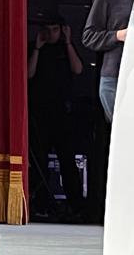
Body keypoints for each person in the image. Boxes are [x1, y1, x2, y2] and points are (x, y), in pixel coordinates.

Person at [28, 17, 85, 219]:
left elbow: (78, 69)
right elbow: (28, 74)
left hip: (63, 112)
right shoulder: (35, 48)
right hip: (40, 113)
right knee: (40, 161)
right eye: (48, 29)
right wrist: (37, 47)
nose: (51, 34)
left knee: (67, 160)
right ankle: (40, 203)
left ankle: (76, 205)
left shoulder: (65, 48)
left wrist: (68, 42)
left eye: (55, 29)